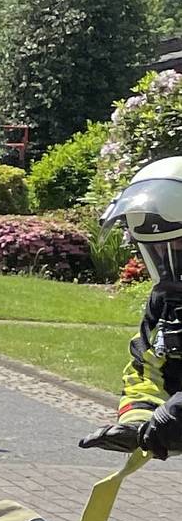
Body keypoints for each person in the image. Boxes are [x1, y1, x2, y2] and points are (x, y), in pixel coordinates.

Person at [81, 157, 182, 460]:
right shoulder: (166, 300)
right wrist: (139, 419)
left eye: (179, 247)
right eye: (157, 251)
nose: (169, 262)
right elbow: (147, 369)